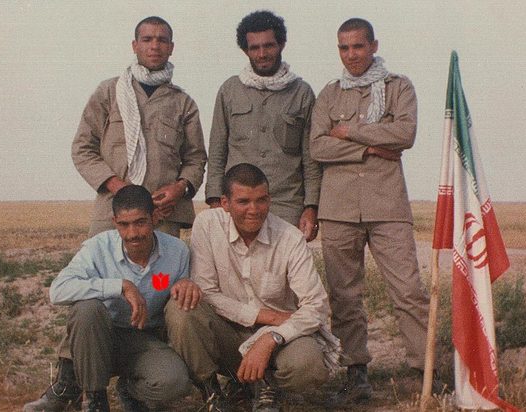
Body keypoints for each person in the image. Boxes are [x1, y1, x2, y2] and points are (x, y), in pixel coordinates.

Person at [309, 18, 431, 405]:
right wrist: (369, 147)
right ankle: (355, 374)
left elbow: (405, 134)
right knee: (345, 297)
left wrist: (348, 132)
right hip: (338, 208)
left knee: (409, 291)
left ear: (373, 46)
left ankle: (425, 372)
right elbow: (318, 146)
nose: (351, 55)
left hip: (387, 205)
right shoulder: (329, 94)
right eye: (344, 48)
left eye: (358, 46)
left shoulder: (398, 87)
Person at [166, 163, 337, 412]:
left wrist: (270, 337)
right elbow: (206, 291)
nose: (254, 210)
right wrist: (265, 316)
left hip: (278, 337)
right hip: (228, 332)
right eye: (243, 201)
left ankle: (266, 385)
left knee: (308, 366)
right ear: (225, 203)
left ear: (269, 199)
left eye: (261, 200)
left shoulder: (290, 238)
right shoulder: (207, 224)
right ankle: (212, 393)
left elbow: (316, 306)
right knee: (181, 308)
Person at [23, 185, 202, 412]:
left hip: (145, 340)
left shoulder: (177, 251)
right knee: (87, 309)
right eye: (124, 224)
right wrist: (120, 286)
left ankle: (130, 389)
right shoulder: (98, 248)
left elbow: (182, 293)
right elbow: (58, 290)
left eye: (140, 222)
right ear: (114, 221)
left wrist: (185, 283)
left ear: (155, 217)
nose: (133, 233)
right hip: (98, 336)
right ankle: (92, 398)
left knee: (174, 383)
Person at [72, 16, 206, 238]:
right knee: (104, 262)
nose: (154, 46)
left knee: (163, 263)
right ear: (135, 45)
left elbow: (196, 158)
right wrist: (118, 187)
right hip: (113, 211)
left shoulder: (183, 103)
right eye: (147, 39)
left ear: (171, 48)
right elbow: (82, 149)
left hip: (163, 214)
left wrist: (179, 188)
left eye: (162, 40)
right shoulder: (109, 92)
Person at [204, 11, 321, 242]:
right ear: (245, 50)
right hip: (238, 206)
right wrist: (216, 201)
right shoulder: (229, 91)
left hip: (286, 204)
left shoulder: (302, 93)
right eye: (254, 47)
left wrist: (311, 207)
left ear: (282, 44)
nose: (262, 54)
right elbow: (217, 151)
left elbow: (311, 158)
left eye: (269, 46)